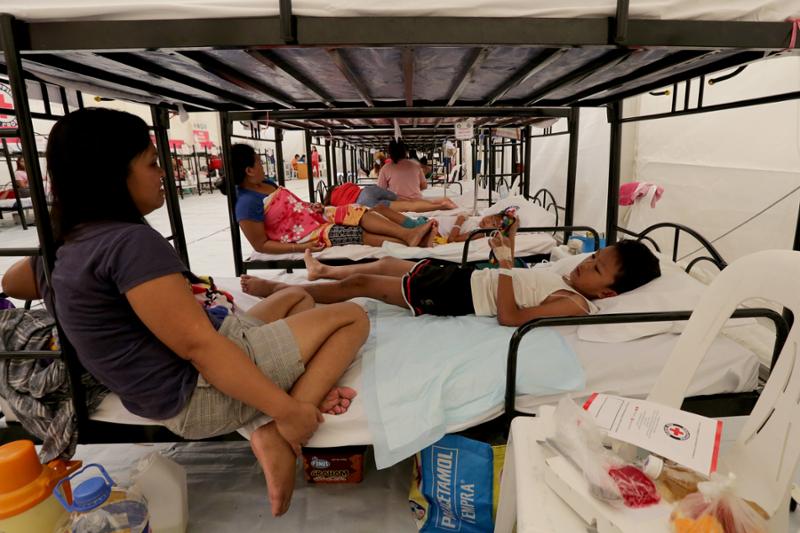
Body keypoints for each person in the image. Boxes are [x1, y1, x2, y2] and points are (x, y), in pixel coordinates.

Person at [0, 108, 370, 518]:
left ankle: (289, 383)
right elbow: (201, 348)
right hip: (198, 395)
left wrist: (53, 256)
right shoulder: (129, 244)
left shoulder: (68, 245)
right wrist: (290, 412)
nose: (163, 173)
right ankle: (277, 432)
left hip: (169, 384)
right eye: (152, 163)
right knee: (352, 316)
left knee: (297, 298)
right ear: (113, 176)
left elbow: (11, 283)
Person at [240, 238, 661, 327]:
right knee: (386, 262)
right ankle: (322, 272)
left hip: (454, 294)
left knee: (365, 282)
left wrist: (506, 267)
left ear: (607, 293)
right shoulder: (565, 276)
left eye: (597, 269)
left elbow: (512, 318)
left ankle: (280, 291)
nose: (586, 263)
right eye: (594, 256)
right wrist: (506, 256)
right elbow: (516, 280)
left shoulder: (577, 304)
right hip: (463, 277)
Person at [230, 144, 435, 254]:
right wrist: (299, 248)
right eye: (259, 162)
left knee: (358, 211)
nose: (263, 166)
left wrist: (312, 206)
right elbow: (261, 245)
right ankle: (411, 241)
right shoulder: (246, 204)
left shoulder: (266, 183)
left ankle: (408, 234)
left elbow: (291, 205)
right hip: (304, 235)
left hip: (314, 216)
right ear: (249, 170)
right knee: (355, 233)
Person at [324, 182, 457, 213]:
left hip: (363, 202)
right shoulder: (343, 186)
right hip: (369, 190)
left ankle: (441, 206)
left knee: (407, 208)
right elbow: (354, 186)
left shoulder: (333, 204)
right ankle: (438, 201)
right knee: (407, 201)